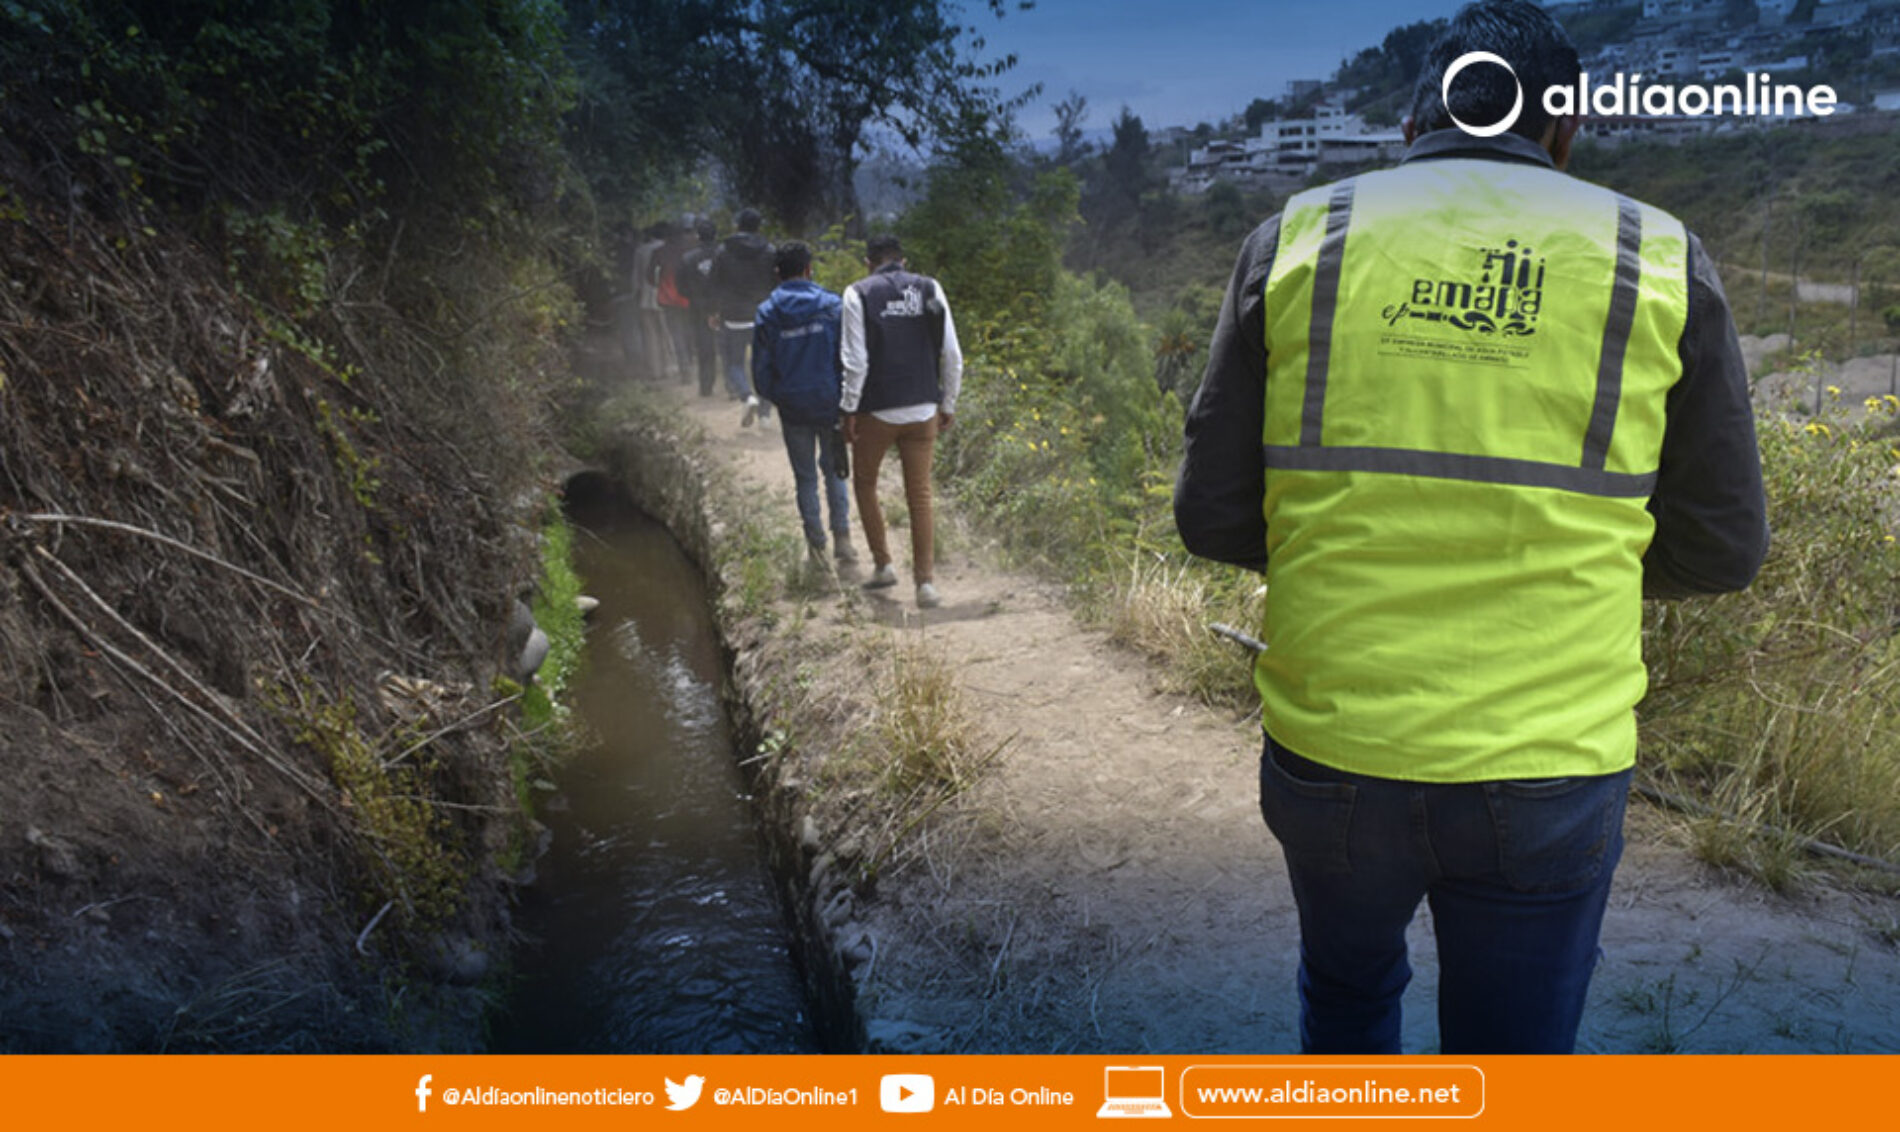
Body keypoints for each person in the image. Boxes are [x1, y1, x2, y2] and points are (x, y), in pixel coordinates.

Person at [1173, 0, 1767, 1055]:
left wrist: (1348, 535)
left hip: (1333, 749)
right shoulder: (1657, 255)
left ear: (1410, 131)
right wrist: (1571, 557)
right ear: (1565, 133)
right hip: (1551, 762)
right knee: (1515, 1059)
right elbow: (1720, 550)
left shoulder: (1302, 238)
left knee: (1348, 1001)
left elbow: (1211, 517)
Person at [840, 234, 963, 610]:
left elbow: (856, 362)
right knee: (920, 495)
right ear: (903, 261)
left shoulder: (858, 293)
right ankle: (925, 584)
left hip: (876, 410)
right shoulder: (929, 288)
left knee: (865, 483)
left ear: (869, 263)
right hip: (923, 408)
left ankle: (883, 565)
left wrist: (848, 409)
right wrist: (948, 402)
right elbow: (952, 354)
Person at [752, 242, 857, 564]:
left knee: (805, 478)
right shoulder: (831, 305)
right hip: (829, 404)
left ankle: (816, 548)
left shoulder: (768, 312)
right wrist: (844, 397)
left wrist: (779, 397)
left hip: (793, 408)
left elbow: (761, 369)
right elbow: (847, 357)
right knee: (835, 472)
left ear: (777, 273)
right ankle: (843, 540)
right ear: (809, 269)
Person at [708, 208, 778, 425]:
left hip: (733, 316)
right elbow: (777, 282)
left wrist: (713, 311)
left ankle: (747, 396)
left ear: (738, 225)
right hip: (764, 316)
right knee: (764, 365)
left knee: (734, 363)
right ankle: (765, 414)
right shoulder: (770, 251)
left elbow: (714, 283)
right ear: (759, 226)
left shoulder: (723, 251)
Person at [679, 218, 722, 397]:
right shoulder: (724, 254)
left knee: (704, 347)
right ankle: (733, 386)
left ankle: (706, 386)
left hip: (698, 308)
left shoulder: (687, 258)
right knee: (727, 346)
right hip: (723, 306)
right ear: (716, 235)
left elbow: (680, 286)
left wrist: (693, 297)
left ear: (698, 237)